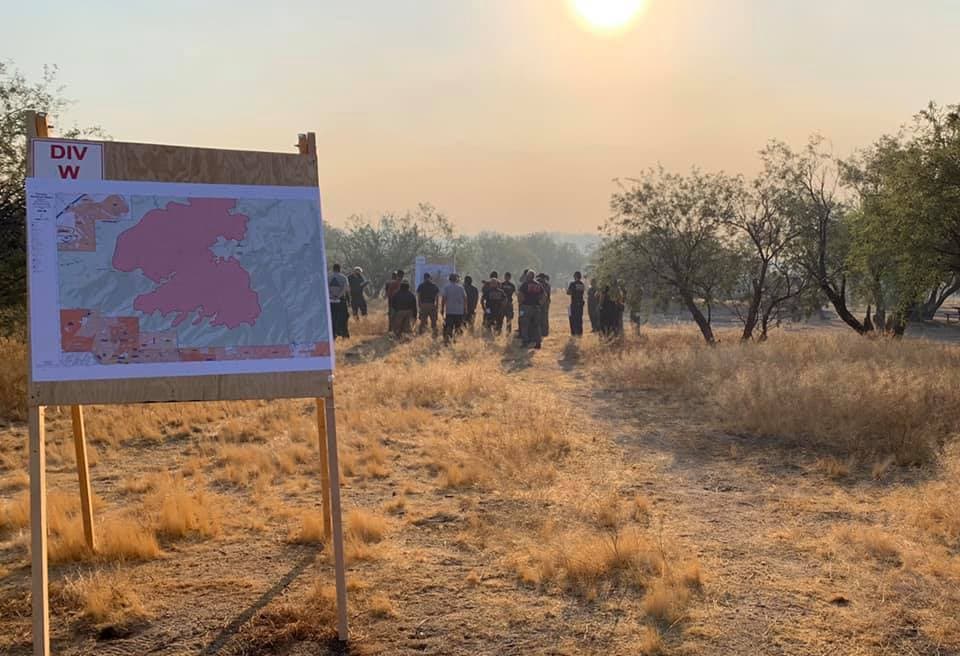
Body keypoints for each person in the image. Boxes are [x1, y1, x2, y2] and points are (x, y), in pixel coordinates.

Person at [517, 270, 545, 348]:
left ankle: (525, 341)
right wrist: (540, 304)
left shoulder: (525, 284)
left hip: (526, 307)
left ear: (528, 276)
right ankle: (538, 342)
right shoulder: (538, 285)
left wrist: (521, 303)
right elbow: (544, 295)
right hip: (536, 307)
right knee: (536, 325)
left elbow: (520, 294)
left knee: (524, 325)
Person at [440, 272, 467, 344]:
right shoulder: (461, 288)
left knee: (449, 327)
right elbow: (465, 298)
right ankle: (457, 341)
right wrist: (465, 309)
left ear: (449, 279)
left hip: (449, 311)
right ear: (457, 279)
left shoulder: (446, 287)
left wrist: (442, 309)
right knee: (458, 327)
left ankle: (448, 341)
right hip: (459, 311)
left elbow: (444, 298)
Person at [328, 263, 350, 339]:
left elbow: (325, 288)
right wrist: (338, 296)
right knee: (343, 317)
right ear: (339, 269)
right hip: (341, 301)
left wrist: (332, 296)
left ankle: (333, 335)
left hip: (330, 301)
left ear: (333, 269)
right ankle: (344, 334)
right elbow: (345, 289)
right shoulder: (344, 278)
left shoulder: (328, 277)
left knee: (331, 318)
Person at [416, 272, 440, 337]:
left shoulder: (421, 286)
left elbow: (418, 296)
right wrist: (437, 306)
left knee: (422, 322)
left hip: (424, 305)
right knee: (434, 322)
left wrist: (419, 305)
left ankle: (420, 335)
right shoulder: (434, 286)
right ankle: (435, 335)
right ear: (430, 278)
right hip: (432, 305)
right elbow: (437, 297)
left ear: (424, 278)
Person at [567, 271, 586, 336]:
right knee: (579, 318)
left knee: (573, 318)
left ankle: (574, 332)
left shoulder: (572, 284)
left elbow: (568, 292)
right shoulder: (582, 284)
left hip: (574, 303)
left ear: (575, 276)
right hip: (580, 303)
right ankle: (580, 332)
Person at [536, 273, 551, 338]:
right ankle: (544, 331)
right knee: (544, 317)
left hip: (542, 302)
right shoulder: (547, 284)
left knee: (542, 317)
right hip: (545, 302)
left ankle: (543, 332)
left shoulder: (542, 284)